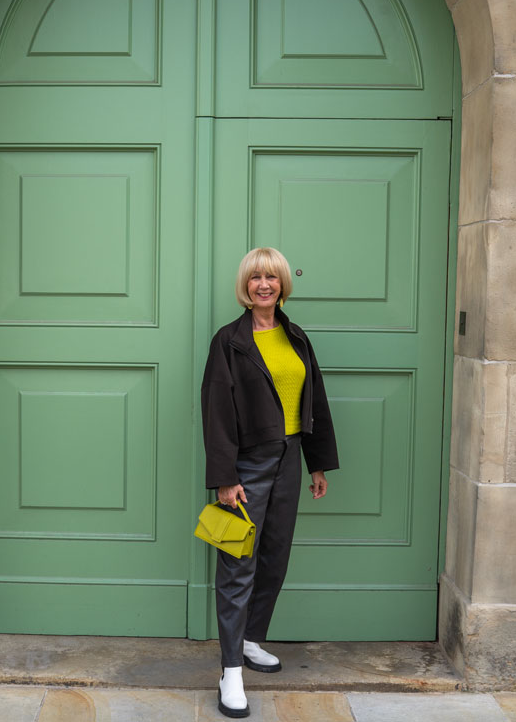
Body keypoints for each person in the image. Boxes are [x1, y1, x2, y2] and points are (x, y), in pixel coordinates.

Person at [201, 247, 339, 718]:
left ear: (283, 284)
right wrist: (224, 478)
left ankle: (252, 639)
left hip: (290, 459)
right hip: (246, 465)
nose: (264, 284)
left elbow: (313, 398)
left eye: (272, 277)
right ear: (246, 286)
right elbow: (217, 412)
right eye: (256, 277)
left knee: (275, 557)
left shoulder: (296, 337)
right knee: (237, 564)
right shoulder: (229, 341)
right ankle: (231, 671)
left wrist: (317, 462)